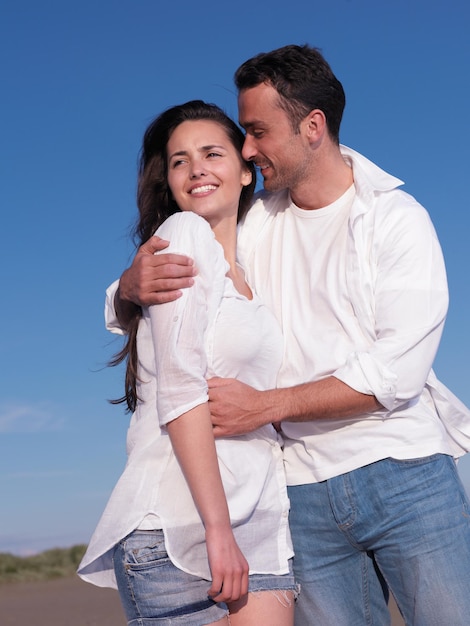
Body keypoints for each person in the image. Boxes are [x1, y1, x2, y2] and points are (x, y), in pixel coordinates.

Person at [105, 47, 470, 626]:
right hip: (298, 491)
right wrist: (127, 286)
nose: (247, 149)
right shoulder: (254, 221)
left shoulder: (396, 219)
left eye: (256, 132)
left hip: (403, 469)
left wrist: (264, 407)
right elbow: (185, 262)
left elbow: (395, 373)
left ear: (313, 126)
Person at [78, 100, 298, 626]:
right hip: (183, 527)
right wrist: (216, 530)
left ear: (247, 170)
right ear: (169, 182)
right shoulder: (184, 235)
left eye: (212, 153)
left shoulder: (251, 267)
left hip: (262, 525)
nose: (196, 167)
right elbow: (181, 389)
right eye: (179, 160)